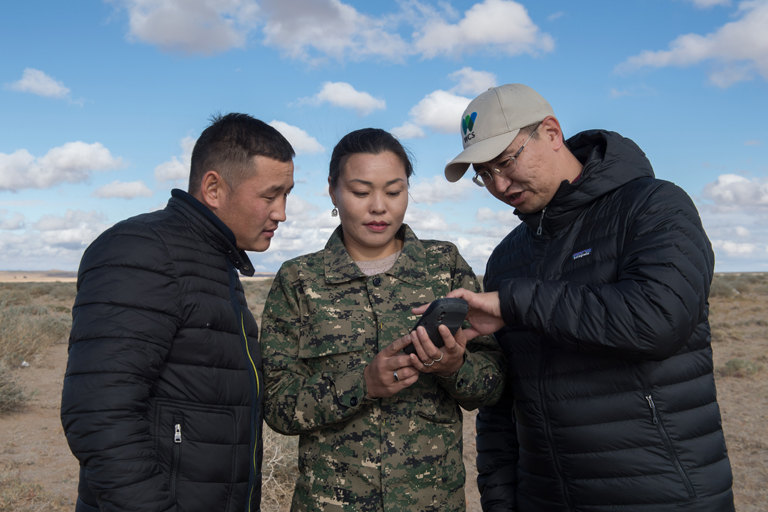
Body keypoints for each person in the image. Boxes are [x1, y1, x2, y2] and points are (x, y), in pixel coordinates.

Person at [434, 84, 734, 511]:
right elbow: (502, 406)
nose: (499, 184)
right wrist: (501, 499)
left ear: (552, 133)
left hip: (659, 496)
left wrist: (514, 303)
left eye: (505, 161)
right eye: (483, 175)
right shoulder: (506, 257)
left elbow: (659, 321)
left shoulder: (653, 206)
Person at [260, 128, 506, 511]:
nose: (379, 207)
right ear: (333, 191)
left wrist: (453, 366)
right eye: (361, 192)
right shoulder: (299, 281)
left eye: (394, 191)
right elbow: (276, 404)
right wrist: (363, 384)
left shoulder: (444, 266)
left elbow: (492, 387)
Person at [60, 113, 295, 512]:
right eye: (270, 195)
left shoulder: (213, 263)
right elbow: (99, 415)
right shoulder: (142, 251)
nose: (282, 213)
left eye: (287, 195)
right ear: (213, 188)